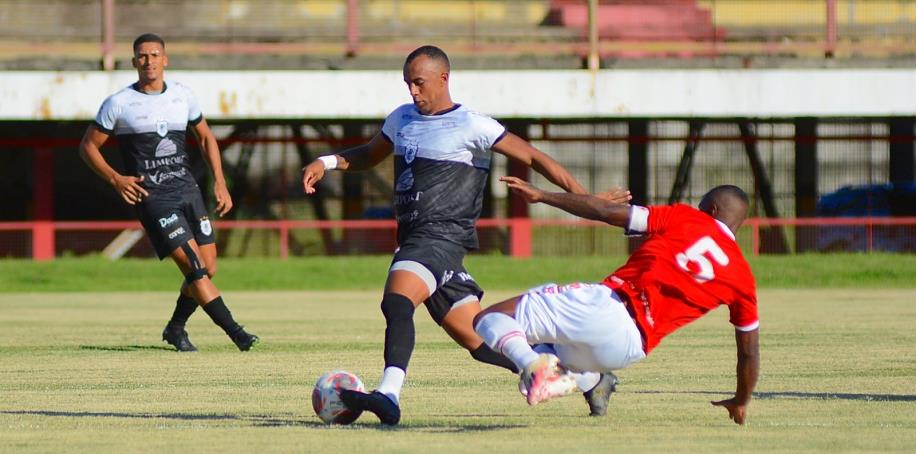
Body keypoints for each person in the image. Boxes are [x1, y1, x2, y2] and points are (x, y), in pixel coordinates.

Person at [302, 45, 624, 425]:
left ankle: (389, 393)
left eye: (419, 83)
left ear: (444, 78)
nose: (413, 93)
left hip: (439, 238)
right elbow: (370, 154)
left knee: (397, 301)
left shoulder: (474, 125)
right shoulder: (401, 119)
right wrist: (326, 162)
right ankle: (590, 377)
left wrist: (587, 201)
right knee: (482, 342)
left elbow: (536, 158)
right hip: (421, 242)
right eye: (408, 84)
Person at [474, 180, 760, 425]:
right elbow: (749, 352)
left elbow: (607, 211)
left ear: (711, 211)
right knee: (542, 344)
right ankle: (593, 381)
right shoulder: (743, 277)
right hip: (627, 350)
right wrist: (741, 399)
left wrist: (543, 196)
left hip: (609, 307)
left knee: (491, 319)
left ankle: (536, 370)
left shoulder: (688, 218)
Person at [79, 33, 258, 352]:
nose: (148, 61)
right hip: (154, 199)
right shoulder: (119, 103)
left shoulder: (182, 96)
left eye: (154, 55)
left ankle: (175, 329)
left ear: (165, 59)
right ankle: (237, 333)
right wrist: (116, 178)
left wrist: (219, 180)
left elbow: (205, 138)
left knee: (209, 266)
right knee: (194, 268)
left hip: (188, 191)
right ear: (134, 62)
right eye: (142, 56)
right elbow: (88, 147)